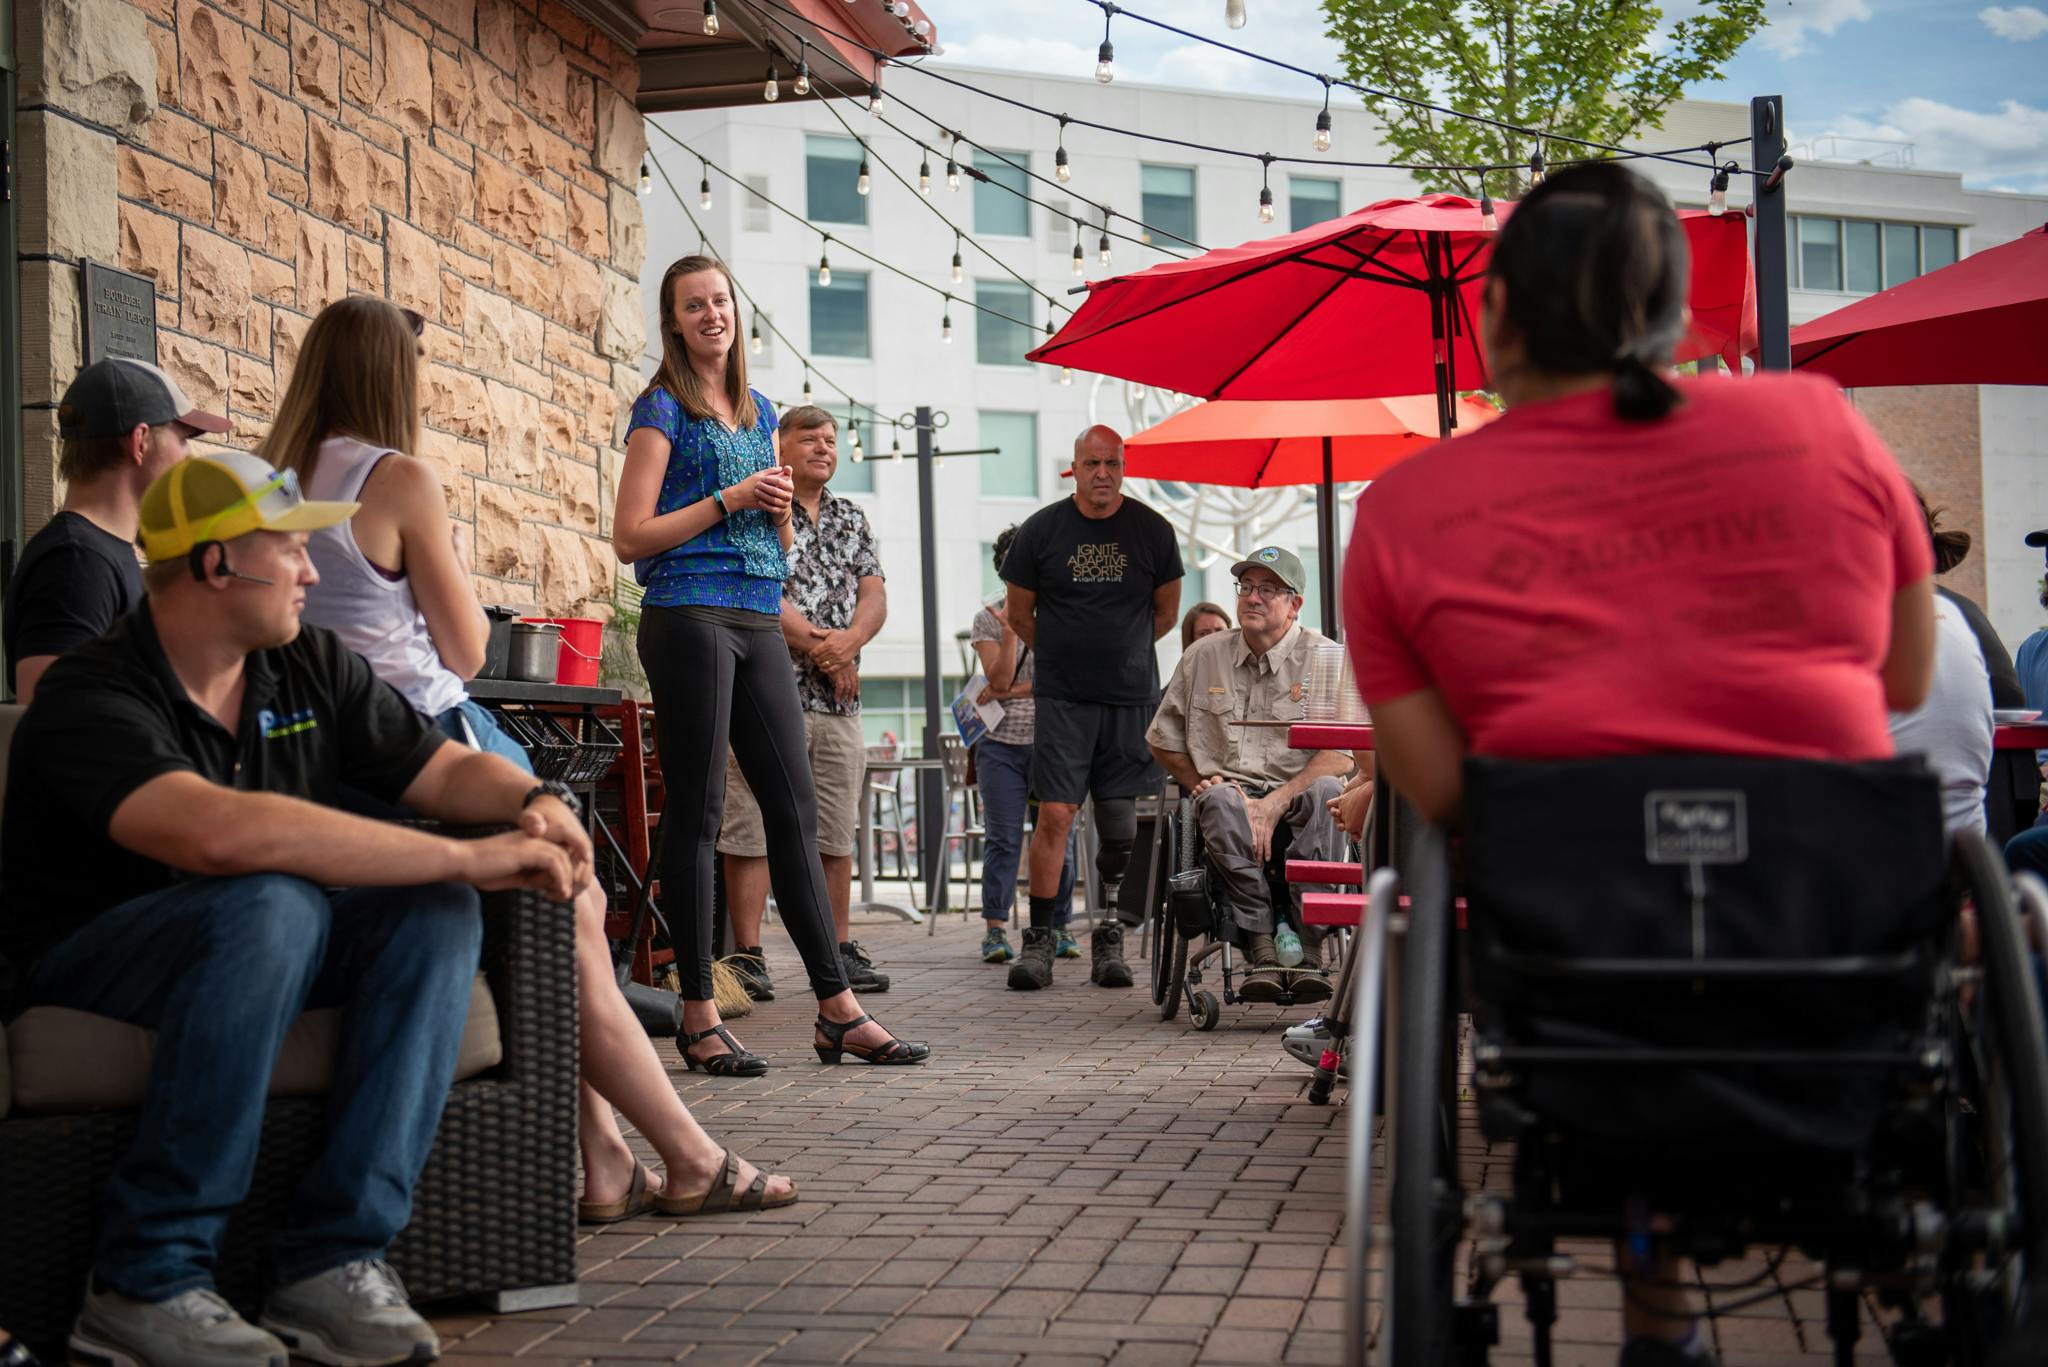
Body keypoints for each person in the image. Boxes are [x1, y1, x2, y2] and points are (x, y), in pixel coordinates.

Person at [1341, 163, 1935, 1367]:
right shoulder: (1820, 425)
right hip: (1829, 935)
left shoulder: (1403, 510)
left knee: (1577, 893)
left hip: (1580, 974)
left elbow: (1443, 789)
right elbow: (1903, 683)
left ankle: (1656, 1325)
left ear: (1493, 316)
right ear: (1670, 319)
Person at [0, 453, 580, 1366]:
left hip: (261, 933)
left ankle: (334, 1261)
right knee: (276, 903)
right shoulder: (92, 692)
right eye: (293, 549)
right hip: (92, 952)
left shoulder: (306, 662)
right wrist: (468, 854)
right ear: (217, 564)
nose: (315, 570)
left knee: (433, 912)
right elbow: (219, 838)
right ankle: (144, 1279)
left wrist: (531, 798)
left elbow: (438, 766)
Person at [268, 296, 795, 1231]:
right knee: (573, 906)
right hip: (424, 743)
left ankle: (607, 1157)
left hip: (323, 755)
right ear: (393, 377)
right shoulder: (398, 479)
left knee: (569, 915)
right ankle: (685, 1154)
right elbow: (467, 651)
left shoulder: (278, 481)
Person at [615, 254, 925, 1070]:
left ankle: (838, 1008)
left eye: (720, 299)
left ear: (734, 312)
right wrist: (731, 498)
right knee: (702, 811)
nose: (711, 313)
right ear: (674, 321)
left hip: (756, 616)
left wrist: (779, 515)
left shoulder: (758, 410)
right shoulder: (661, 408)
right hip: (687, 613)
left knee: (795, 809)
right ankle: (698, 1014)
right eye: (694, 304)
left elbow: (775, 543)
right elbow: (629, 536)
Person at [1001, 425, 1184, 991]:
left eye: (1112, 463)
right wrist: (1067, 655)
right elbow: (1019, 614)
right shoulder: (1042, 531)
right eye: (1091, 463)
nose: (1102, 473)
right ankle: (1039, 941)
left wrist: (1119, 653)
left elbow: (1165, 616)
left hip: (1130, 697)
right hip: (1063, 698)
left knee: (1119, 824)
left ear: (1123, 467)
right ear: (1073, 468)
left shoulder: (1153, 531)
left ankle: (1111, 936)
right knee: (1055, 815)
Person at [719, 406, 890, 1000]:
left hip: (838, 705)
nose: (823, 446)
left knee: (834, 831)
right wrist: (828, 649)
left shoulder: (851, 517)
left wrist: (851, 644)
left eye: (831, 439)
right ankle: (748, 956)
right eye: (808, 437)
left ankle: (838, 950)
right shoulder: (760, 502)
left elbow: (874, 592)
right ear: (779, 446)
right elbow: (758, 592)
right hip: (765, 694)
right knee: (750, 825)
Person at [1146, 547, 1350, 1000]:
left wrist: (1275, 802)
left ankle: (1311, 944)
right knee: (1215, 800)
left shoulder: (1326, 659)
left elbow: (1342, 753)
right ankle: (1259, 942)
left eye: (1268, 590)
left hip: (1299, 789)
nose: (1252, 598)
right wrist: (1202, 776)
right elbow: (1161, 737)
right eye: (1247, 587)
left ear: (1295, 603)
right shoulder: (1204, 656)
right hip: (1232, 791)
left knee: (1329, 791)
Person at [4, 358, 226, 703]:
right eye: (183, 438)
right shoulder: (75, 563)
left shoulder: (98, 554)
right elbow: (51, 726)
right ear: (140, 442)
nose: (190, 456)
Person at [970, 527, 1078, 964]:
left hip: (1051, 742)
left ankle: (1059, 926)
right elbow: (996, 680)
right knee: (1003, 838)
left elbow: (1063, 679)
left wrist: (1011, 691)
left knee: (1057, 833)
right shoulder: (988, 618)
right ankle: (996, 929)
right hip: (1000, 748)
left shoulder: (1061, 613)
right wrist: (1013, 627)